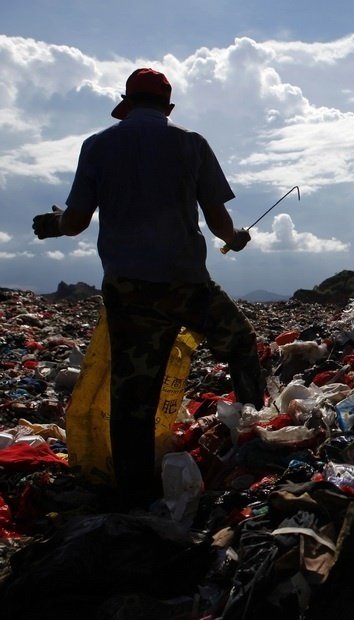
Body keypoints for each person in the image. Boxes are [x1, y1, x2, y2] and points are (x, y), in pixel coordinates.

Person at [32, 67, 266, 509]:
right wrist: (234, 239)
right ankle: (255, 436)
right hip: (187, 284)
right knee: (240, 343)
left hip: (128, 289)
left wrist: (52, 224)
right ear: (167, 106)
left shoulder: (98, 145)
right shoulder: (191, 143)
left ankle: (134, 496)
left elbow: (76, 221)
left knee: (133, 395)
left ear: (127, 103)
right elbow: (219, 222)